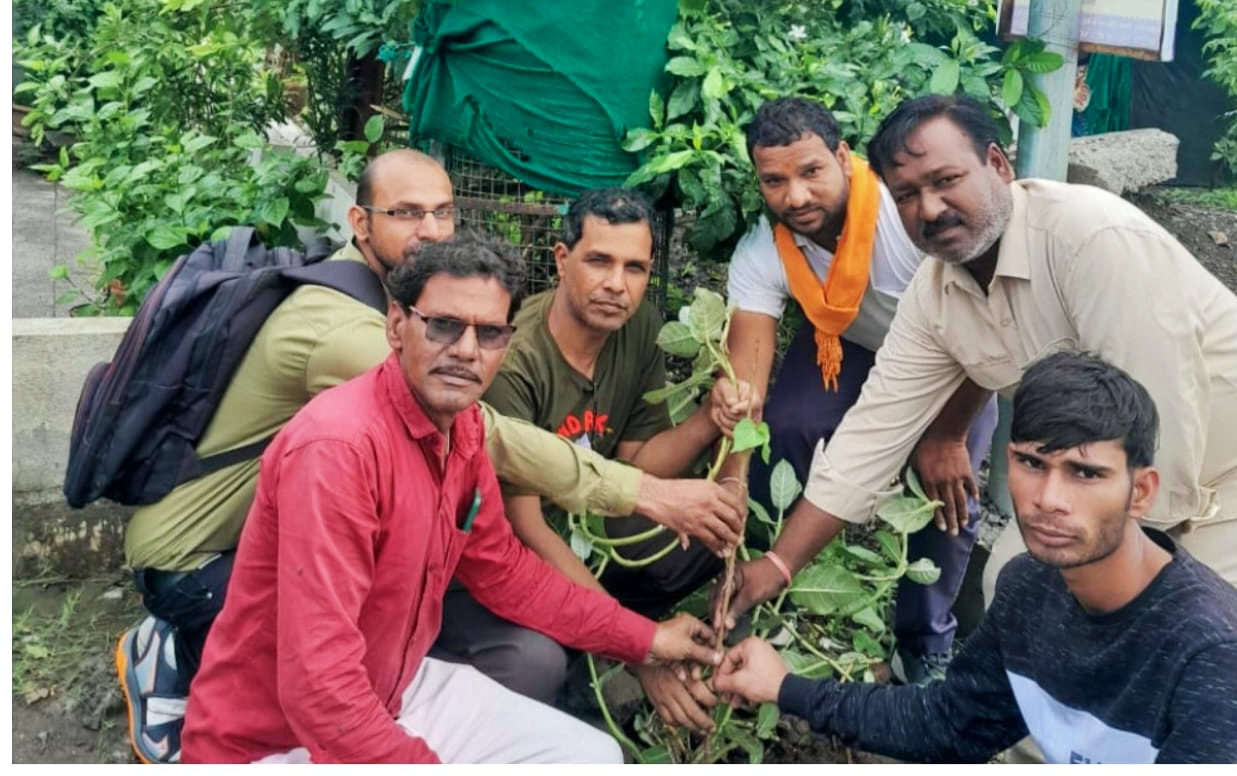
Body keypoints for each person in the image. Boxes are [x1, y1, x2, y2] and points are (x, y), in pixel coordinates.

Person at [115, 149, 744, 764]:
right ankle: (172, 659)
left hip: (391, 683)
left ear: (505, 337)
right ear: (396, 327)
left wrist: (648, 638)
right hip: (273, 735)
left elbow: (507, 572)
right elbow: (320, 691)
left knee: (589, 754)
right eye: (443, 326)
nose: (466, 351)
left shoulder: (459, 431)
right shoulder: (342, 441)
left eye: (489, 333)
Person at [715, 94, 1237, 640]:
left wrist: (1101, 599)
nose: (929, 209)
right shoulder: (935, 294)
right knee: (1015, 585)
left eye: (946, 180)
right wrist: (778, 567)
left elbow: (1158, 438)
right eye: (906, 195)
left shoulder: (1091, 240)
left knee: (1170, 641)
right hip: (1111, 475)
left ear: (998, 166)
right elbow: (870, 436)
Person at [712, 351, 1237, 764]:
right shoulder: (1031, 587)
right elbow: (950, 724)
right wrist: (786, 687)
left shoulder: (1216, 656)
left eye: (1085, 473)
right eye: (1032, 464)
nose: (1049, 499)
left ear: (1141, 491)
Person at [709, 96, 998, 684]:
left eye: (811, 171)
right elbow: (747, 382)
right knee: (783, 429)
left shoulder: (906, 213)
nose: (795, 196)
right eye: (774, 180)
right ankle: (763, 587)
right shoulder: (767, 250)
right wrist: (731, 485)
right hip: (848, 351)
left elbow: (986, 322)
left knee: (945, 485)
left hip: (952, 355)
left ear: (842, 158)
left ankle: (924, 643)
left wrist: (946, 433)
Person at [470, 186, 750, 732]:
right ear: (561, 259)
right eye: (599, 261)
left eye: (635, 268)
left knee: (712, 535)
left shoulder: (638, 325)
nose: (617, 285)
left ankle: (609, 630)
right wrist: (638, 650)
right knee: (541, 657)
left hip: (596, 523)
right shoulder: (516, 362)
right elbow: (529, 530)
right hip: (526, 548)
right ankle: (592, 651)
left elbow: (640, 463)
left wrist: (708, 421)